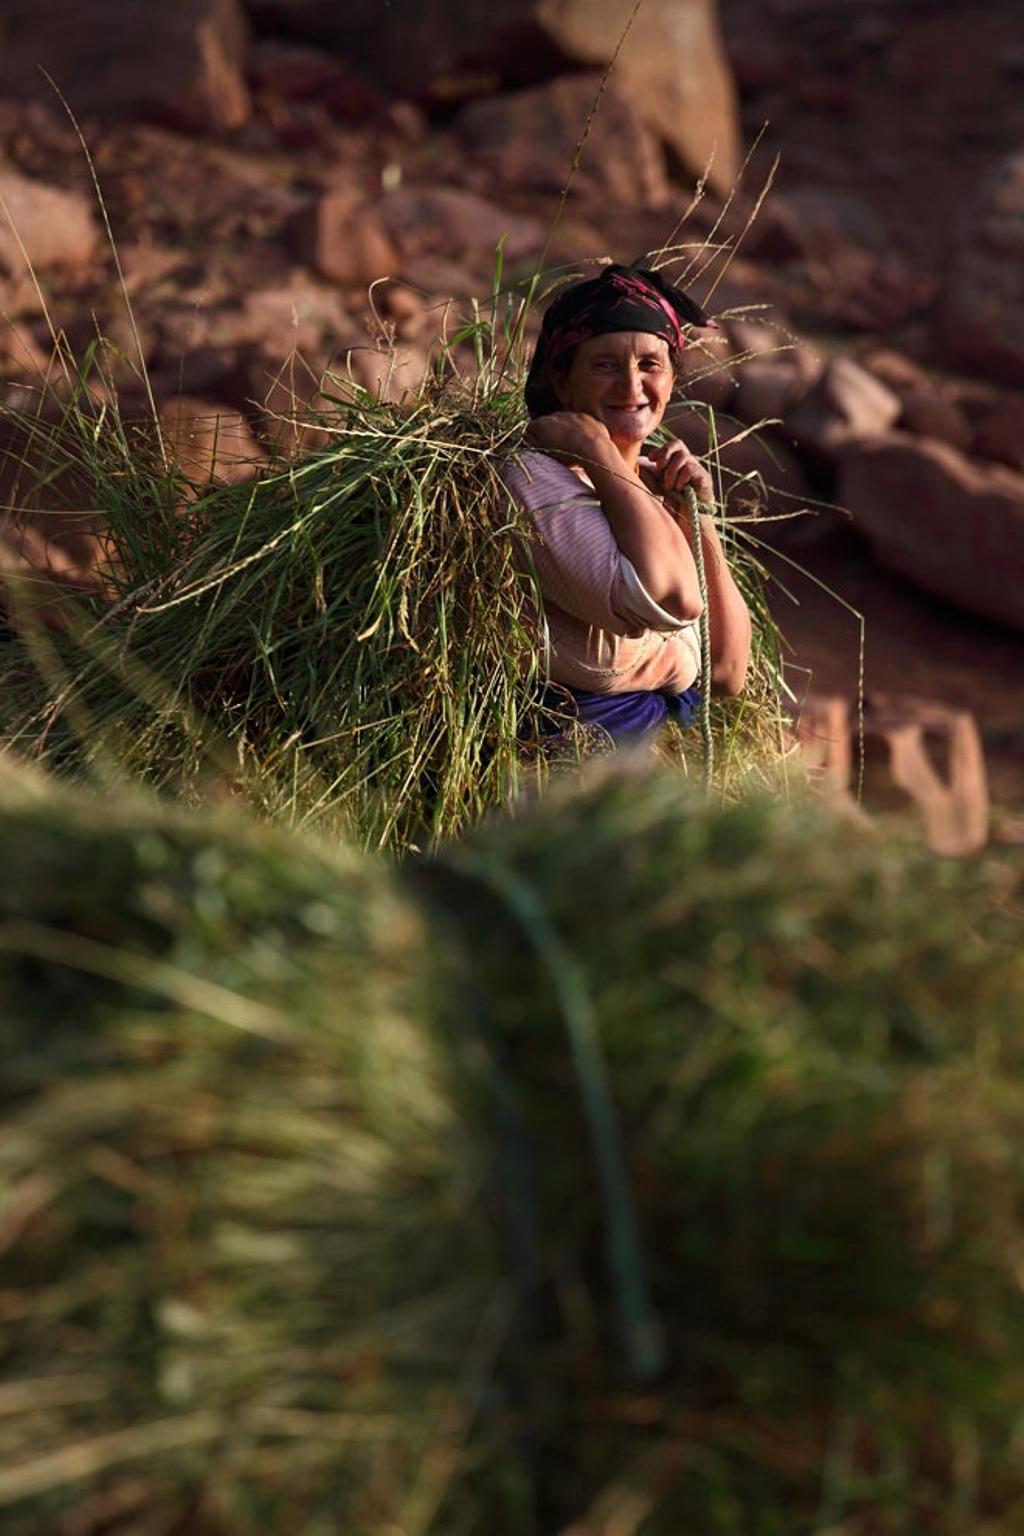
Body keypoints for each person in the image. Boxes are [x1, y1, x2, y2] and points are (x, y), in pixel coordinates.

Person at [502, 263, 752, 746]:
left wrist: (696, 517)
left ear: (672, 379)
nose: (631, 386)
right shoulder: (532, 479)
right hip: (559, 776)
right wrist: (596, 449)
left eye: (650, 365)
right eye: (605, 365)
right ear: (562, 381)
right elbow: (676, 597)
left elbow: (727, 671)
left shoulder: (651, 491)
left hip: (644, 779)